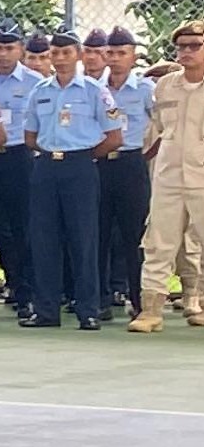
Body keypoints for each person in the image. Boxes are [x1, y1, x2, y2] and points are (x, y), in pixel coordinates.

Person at [21, 29, 119, 331]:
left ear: (78, 55)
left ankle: (88, 309)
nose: (60, 58)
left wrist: (85, 156)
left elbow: (114, 136)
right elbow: (30, 136)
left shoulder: (94, 91)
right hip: (47, 167)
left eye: (66, 53)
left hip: (81, 167)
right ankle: (46, 310)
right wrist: (54, 153)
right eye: (55, 53)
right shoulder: (40, 91)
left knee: (83, 239)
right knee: (44, 240)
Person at [0, 25, 41, 319]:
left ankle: (25, 293)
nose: (3, 54)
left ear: (21, 51)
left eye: (9, 48)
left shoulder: (35, 82)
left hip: (18, 157)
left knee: (22, 228)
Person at [145, 23, 204, 330]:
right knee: (158, 242)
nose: (187, 52)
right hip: (169, 175)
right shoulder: (166, 85)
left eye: (195, 45)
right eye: (182, 46)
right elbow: (157, 128)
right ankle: (151, 309)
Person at [99, 27, 155, 324]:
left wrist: (146, 153)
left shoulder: (145, 89)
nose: (116, 58)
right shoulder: (94, 86)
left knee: (134, 235)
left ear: (133, 56)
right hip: (100, 163)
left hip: (132, 164)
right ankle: (100, 299)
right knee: (99, 234)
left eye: (123, 53)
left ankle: (139, 300)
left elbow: (163, 124)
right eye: (111, 52)